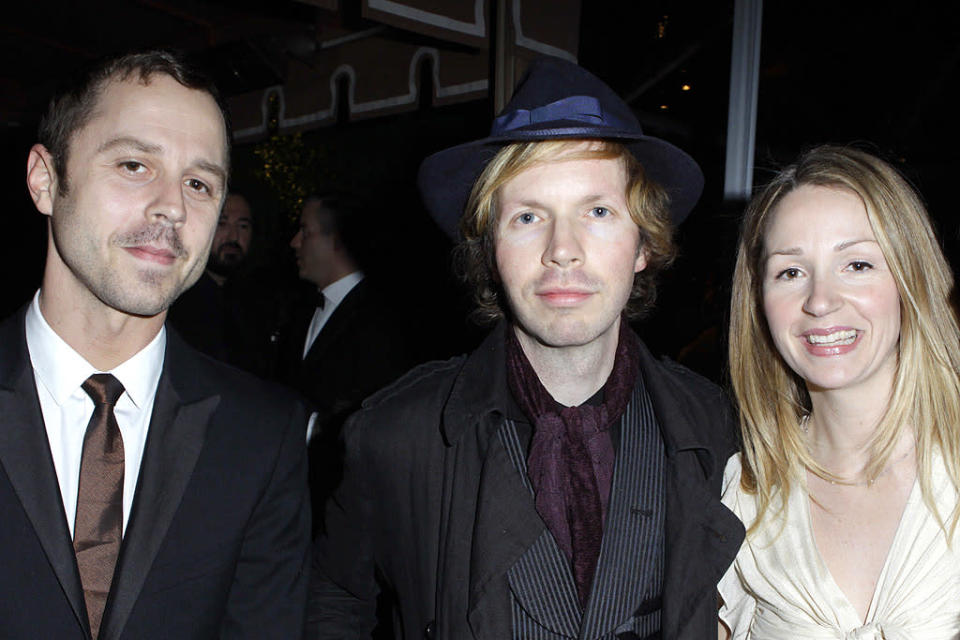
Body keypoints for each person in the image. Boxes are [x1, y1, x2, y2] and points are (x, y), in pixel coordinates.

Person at [309, 56, 743, 640]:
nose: (562, 249)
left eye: (597, 211)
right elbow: (333, 601)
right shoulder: (393, 435)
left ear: (643, 244)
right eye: (528, 216)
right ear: (490, 251)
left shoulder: (720, 431)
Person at [0, 51, 311, 639]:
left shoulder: (262, 435)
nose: (173, 205)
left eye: (199, 182)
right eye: (134, 165)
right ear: (45, 180)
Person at [719, 145, 960, 638]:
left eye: (857, 265)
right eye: (791, 272)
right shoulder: (745, 492)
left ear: (910, 277)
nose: (821, 301)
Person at [282, 192, 410, 532]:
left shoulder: (383, 316)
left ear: (334, 240)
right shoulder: (299, 312)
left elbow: (379, 410)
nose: (294, 242)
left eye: (305, 231)